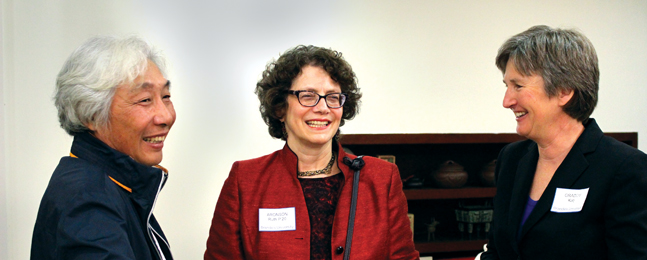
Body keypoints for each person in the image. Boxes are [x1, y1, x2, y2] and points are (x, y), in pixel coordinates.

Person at [204, 45, 419, 260]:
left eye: (333, 97)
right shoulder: (245, 180)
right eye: (308, 96)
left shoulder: (382, 179)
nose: (323, 108)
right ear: (280, 107)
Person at [480, 25, 647, 260]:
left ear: (564, 91)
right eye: (506, 86)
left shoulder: (625, 168)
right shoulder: (512, 158)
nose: (507, 101)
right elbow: (497, 252)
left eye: (518, 86)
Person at [31, 36, 176, 259]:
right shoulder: (88, 200)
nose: (166, 115)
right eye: (145, 100)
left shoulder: (110, 185)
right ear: (91, 113)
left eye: (166, 96)